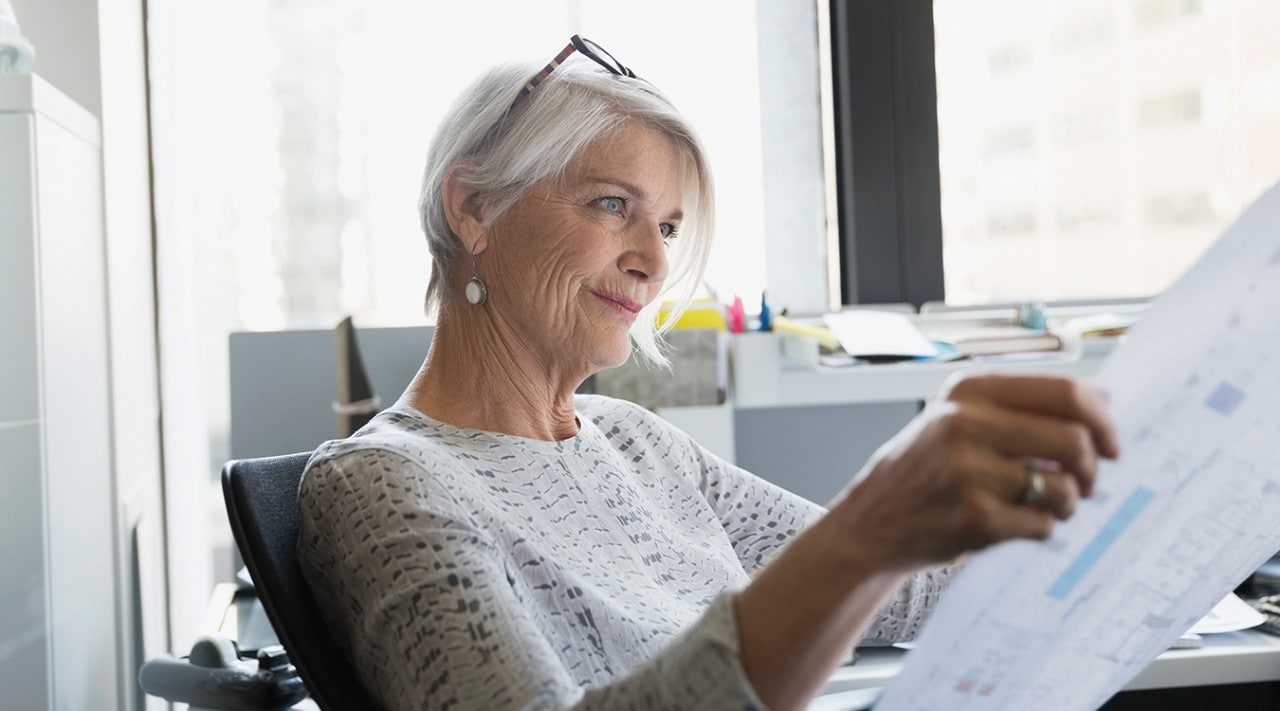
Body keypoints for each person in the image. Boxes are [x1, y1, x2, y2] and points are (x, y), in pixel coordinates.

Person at [296, 35, 1119, 711]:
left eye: (668, 224)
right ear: (473, 208)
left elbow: (905, 585)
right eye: (612, 204)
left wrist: (1118, 522)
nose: (654, 261)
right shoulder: (383, 483)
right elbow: (855, 553)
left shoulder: (638, 445)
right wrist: (869, 527)